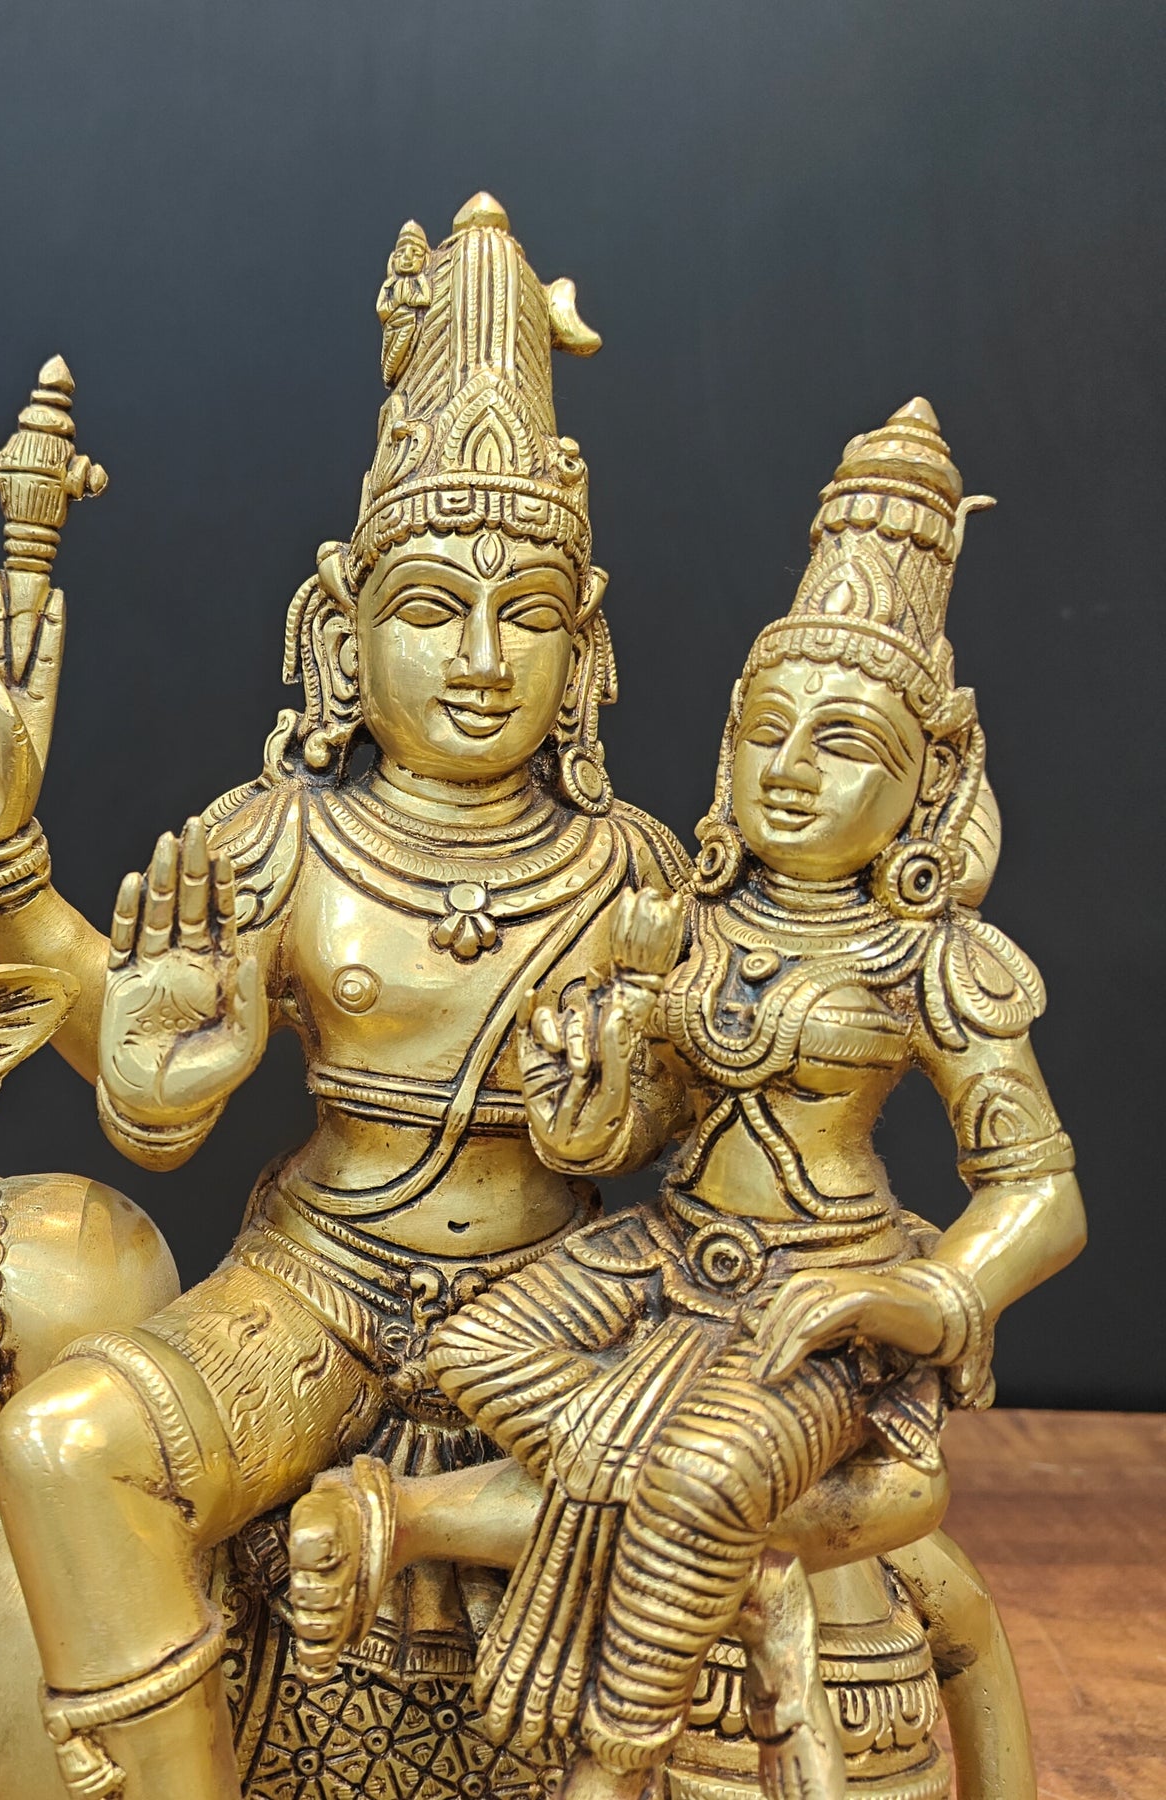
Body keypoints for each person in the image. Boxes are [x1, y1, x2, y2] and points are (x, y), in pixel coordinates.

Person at [0, 194, 688, 1799]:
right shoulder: (279, 842)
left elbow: (710, 1134)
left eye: (528, 617)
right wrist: (6, 873)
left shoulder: (634, 870)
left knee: (711, 1484)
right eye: (431, 609)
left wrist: (631, 1106)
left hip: (564, 1303)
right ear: (342, 627)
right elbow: (149, 1063)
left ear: (587, 643)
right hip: (321, 1290)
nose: (481, 659)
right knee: (68, 1448)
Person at [287, 399, 1084, 1800]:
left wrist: (922, 1300)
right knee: (464, 1351)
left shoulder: (934, 961)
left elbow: (1041, 1193)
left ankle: (612, 1755)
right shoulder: (689, 921)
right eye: (767, 732)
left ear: (929, 782)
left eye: (845, 743)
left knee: (706, 1482)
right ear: (726, 747)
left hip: (820, 1290)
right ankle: (667, 1514)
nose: (792, 769)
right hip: (662, 1256)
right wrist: (597, 1069)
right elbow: (629, 1131)